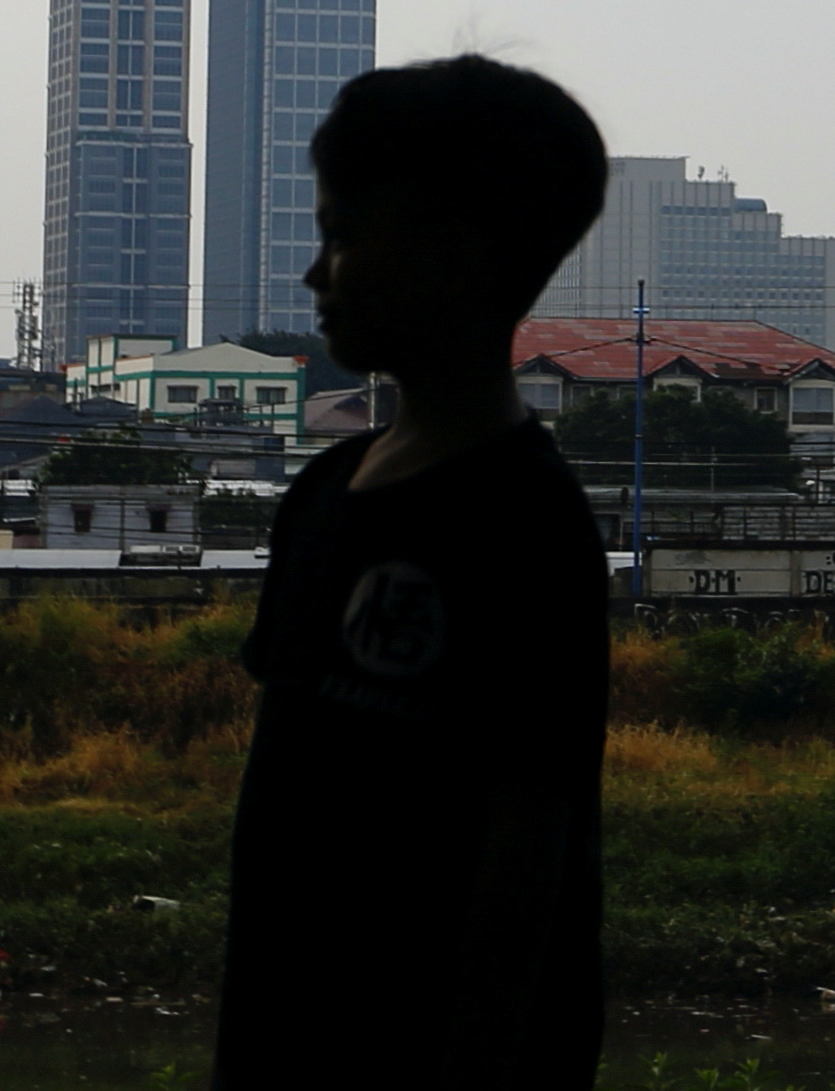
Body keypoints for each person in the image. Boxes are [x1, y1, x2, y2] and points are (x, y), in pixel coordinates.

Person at [215, 55, 612, 1088]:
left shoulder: (526, 524)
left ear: (452, 253)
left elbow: (525, 860)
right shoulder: (323, 490)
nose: (316, 271)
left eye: (343, 233)